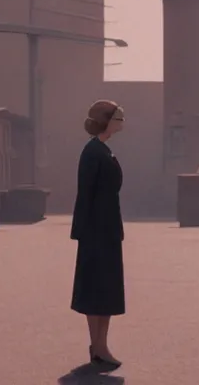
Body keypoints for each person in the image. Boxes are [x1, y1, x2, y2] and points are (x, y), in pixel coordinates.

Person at [70, 100, 126, 372]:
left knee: (107, 290)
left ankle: (101, 345)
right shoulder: (93, 152)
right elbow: (86, 193)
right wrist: (82, 232)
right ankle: (98, 346)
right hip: (96, 231)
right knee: (96, 289)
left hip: (108, 229)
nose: (121, 121)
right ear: (106, 120)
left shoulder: (104, 150)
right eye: (117, 117)